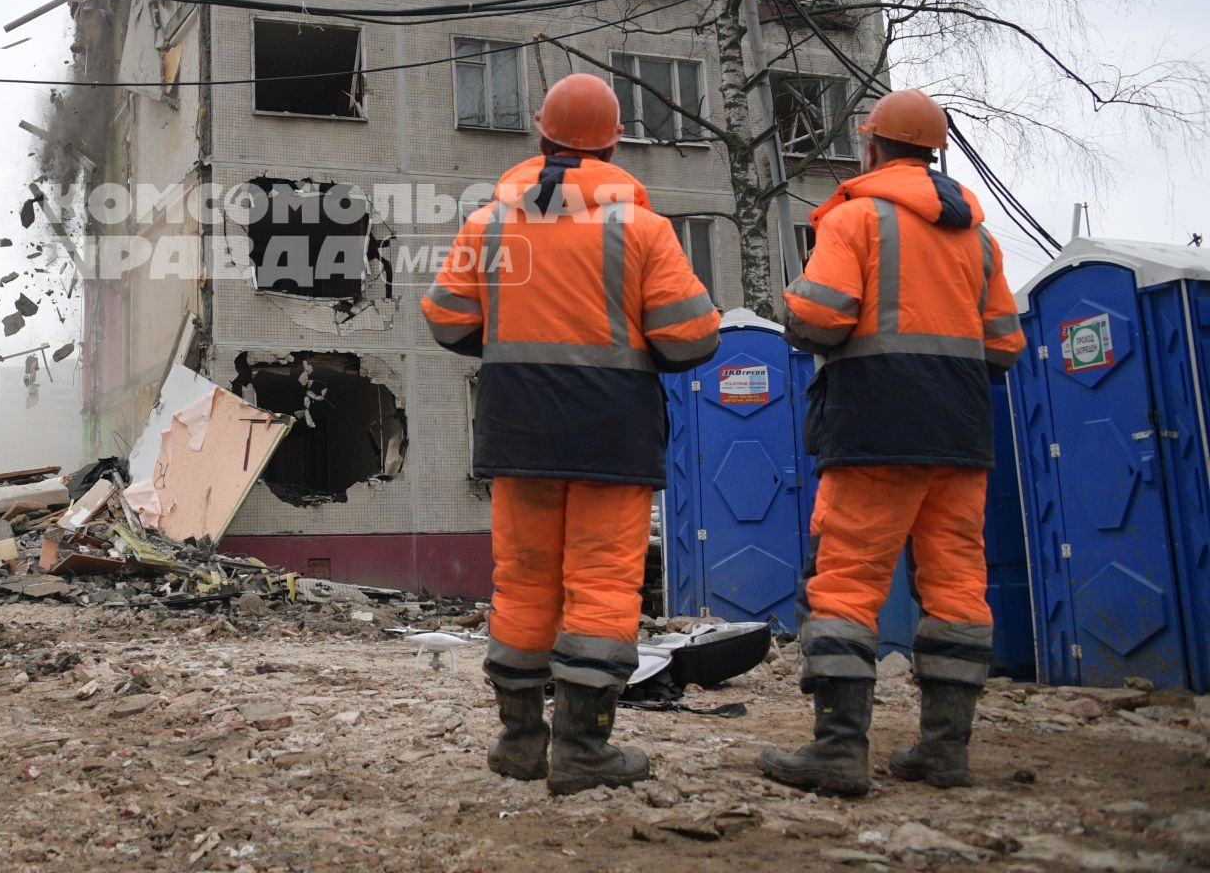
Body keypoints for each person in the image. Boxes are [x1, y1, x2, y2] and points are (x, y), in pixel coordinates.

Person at [421, 73, 721, 795]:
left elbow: (446, 319)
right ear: (614, 141)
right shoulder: (642, 228)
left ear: (539, 132)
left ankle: (520, 741)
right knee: (601, 586)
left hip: (519, 430)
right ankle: (583, 750)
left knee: (522, 582)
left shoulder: (492, 221)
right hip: (611, 435)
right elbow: (692, 338)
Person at [759, 87, 1024, 797]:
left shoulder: (855, 218)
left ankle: (840, 751)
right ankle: (945, 750)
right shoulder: (980, 237)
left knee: (845, 582)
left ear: (872, 147)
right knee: (959, 586)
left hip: (876, 426)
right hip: (961, 435)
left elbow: (820, 316)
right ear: (934, 153)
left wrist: (790, 305)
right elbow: (1004, 346)